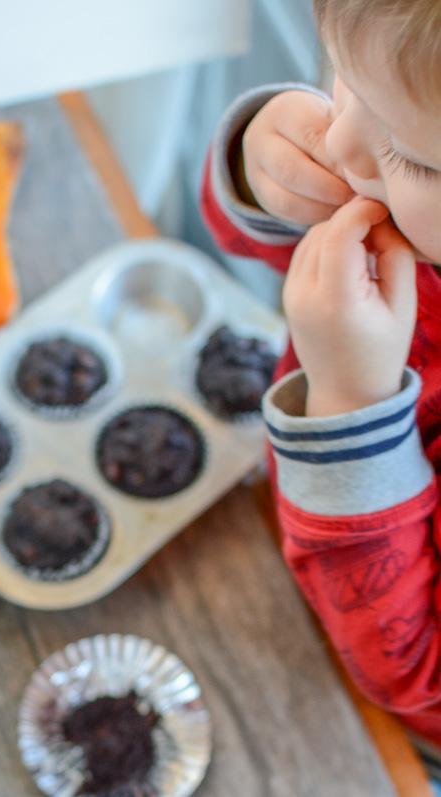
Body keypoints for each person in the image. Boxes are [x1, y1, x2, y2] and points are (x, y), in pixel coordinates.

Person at [200, 0, 441, 772]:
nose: (341, 140)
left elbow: (414, 672)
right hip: (291, 542)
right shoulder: (400, 178)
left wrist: (352, 407)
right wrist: (258, 167)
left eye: (416, 157)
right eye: (343, 74)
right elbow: (275, 241)